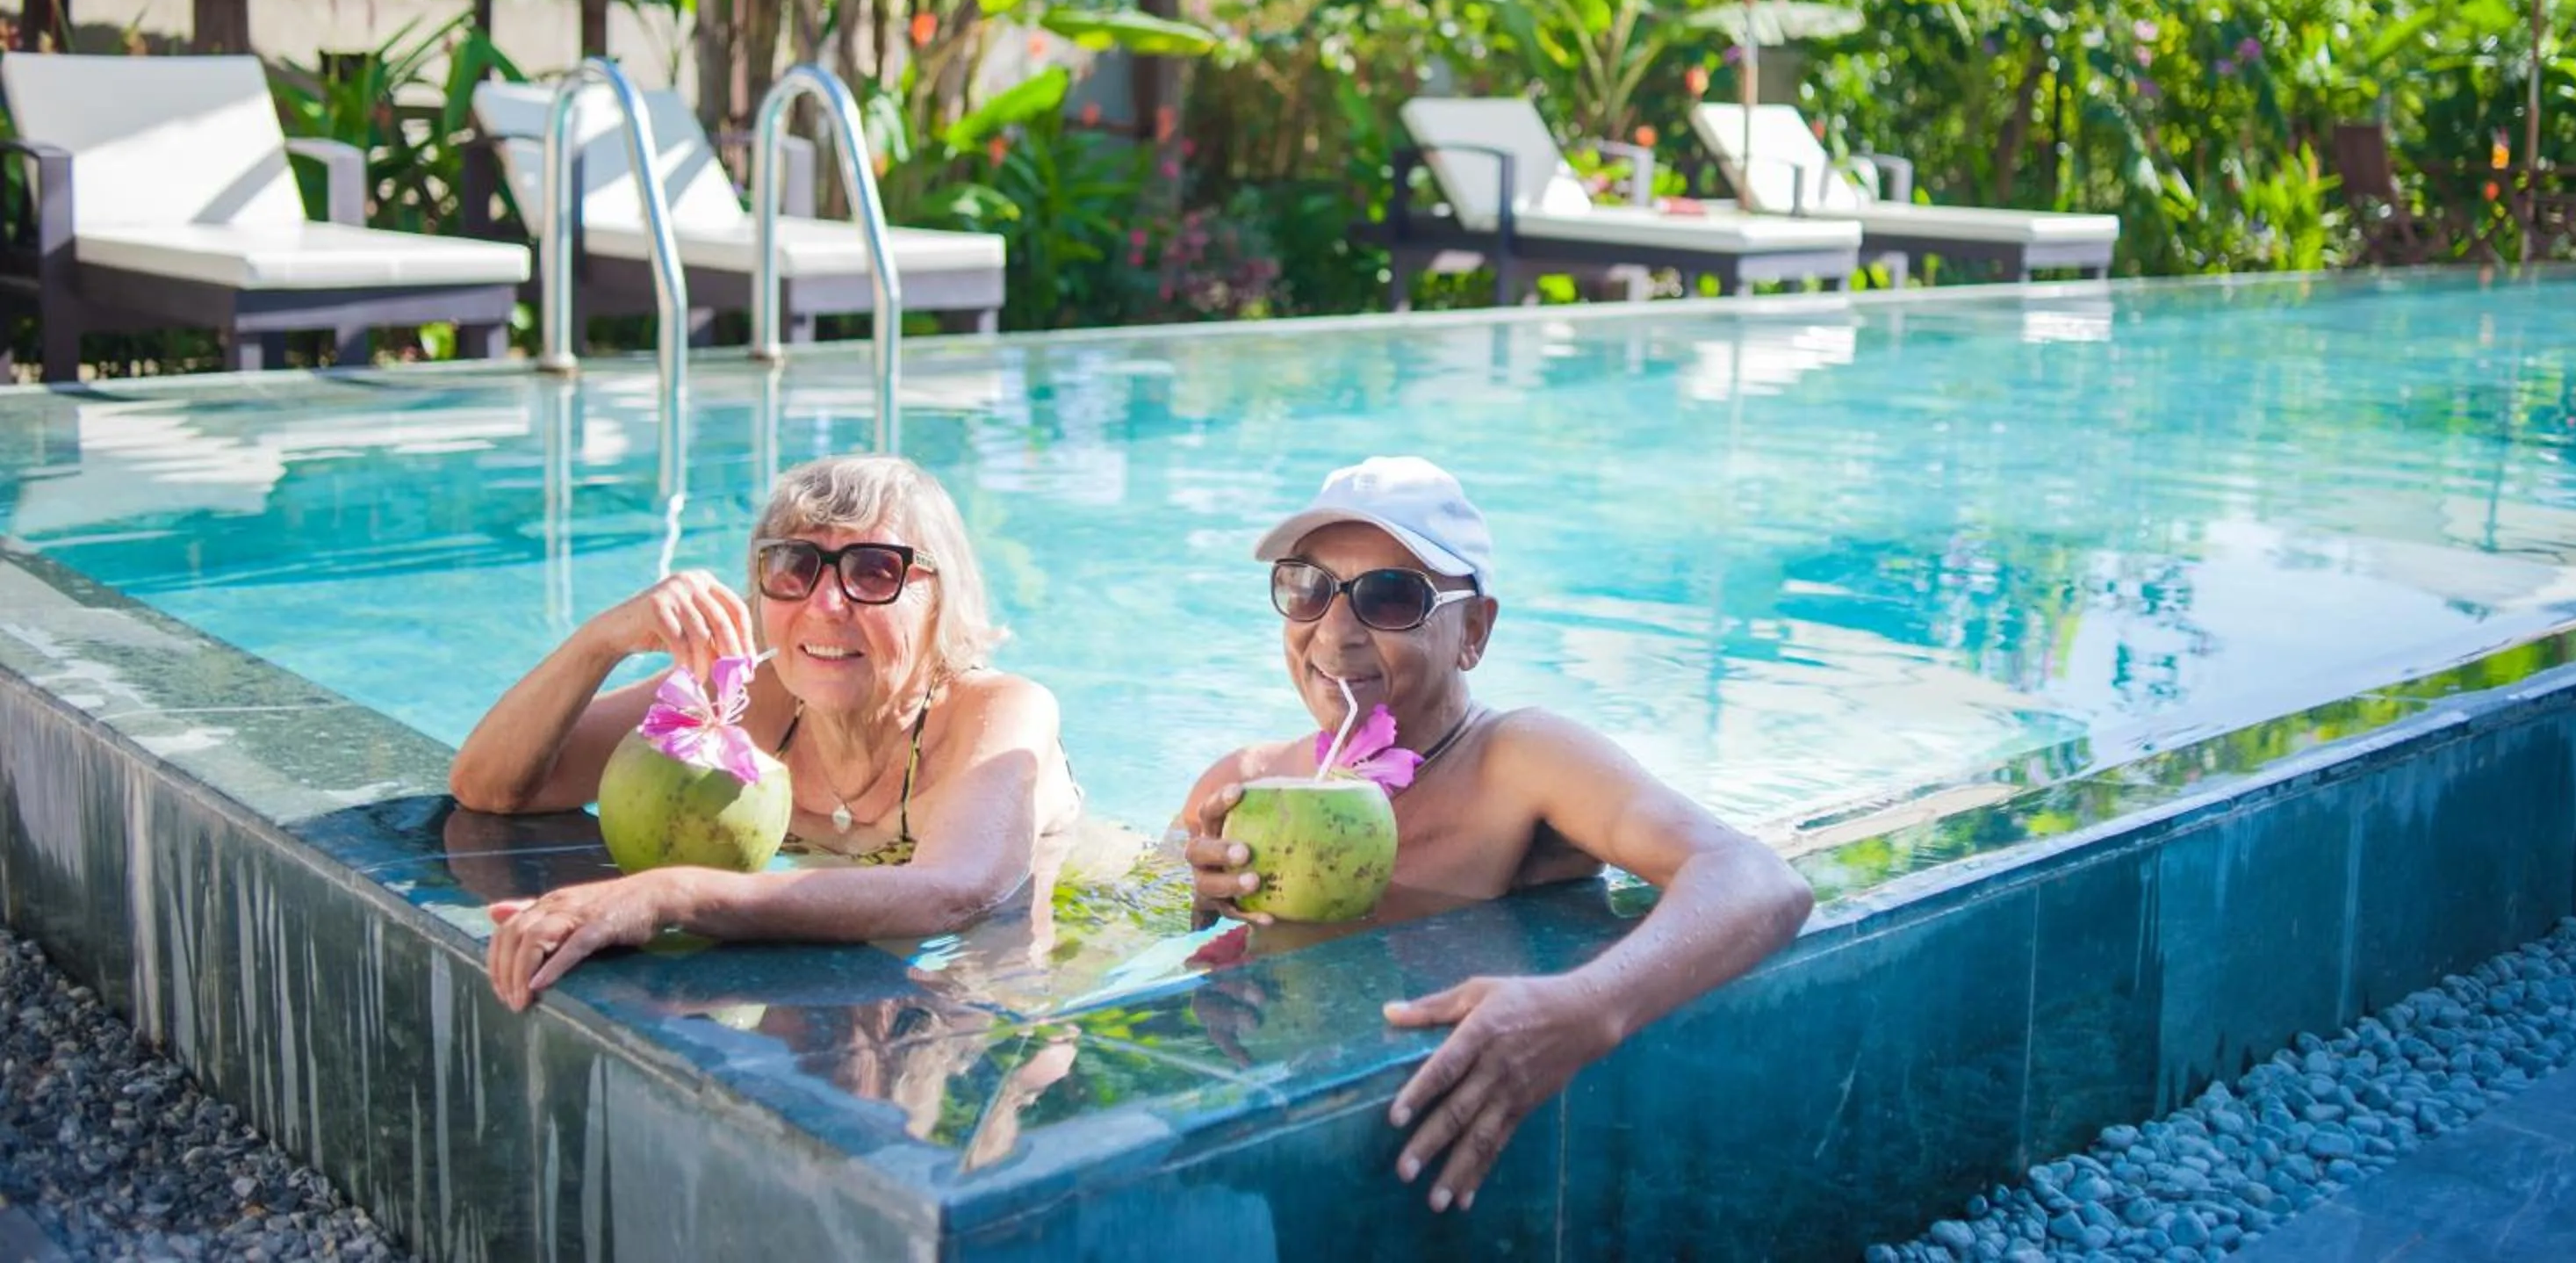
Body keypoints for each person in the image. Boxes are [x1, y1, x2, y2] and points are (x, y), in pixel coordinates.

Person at [1179, 456, 1815, 1215]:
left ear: (1473, 631)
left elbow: (1759, 881)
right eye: (1307, 588)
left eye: (1389, 597)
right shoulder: (1248, 780)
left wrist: (1584, 1009)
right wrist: (1200, 906)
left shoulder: (1518, 761)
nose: (1333, 633)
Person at [453, 454, 1077, 1011]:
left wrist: (670, 896)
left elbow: (957, 893)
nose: (827, 604)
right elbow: (493, 788)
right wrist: (605, 640)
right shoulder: (750, 699)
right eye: (793, 565)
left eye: (874, 571)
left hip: (1011, 969)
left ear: (940, 597)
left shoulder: (1002, 711)